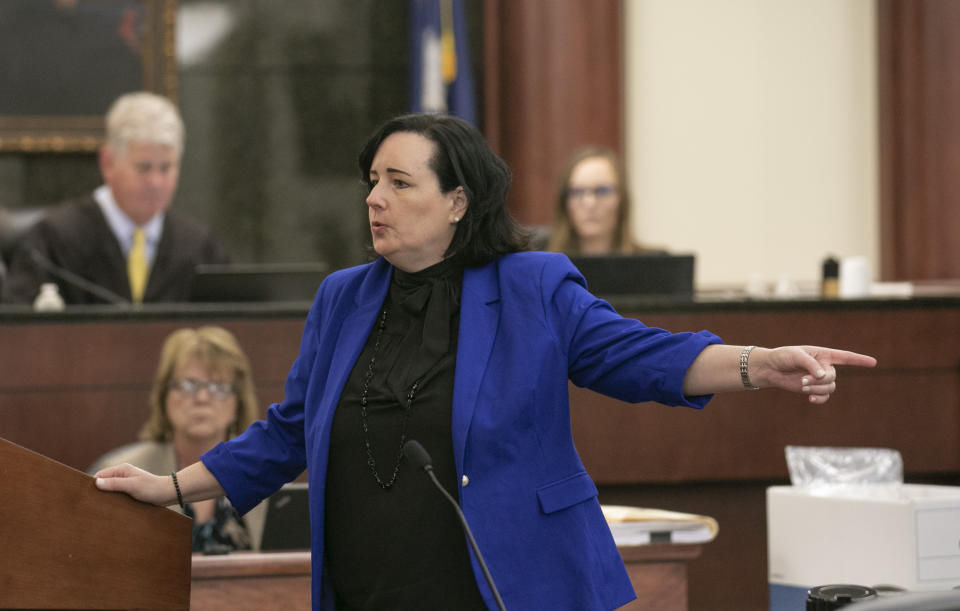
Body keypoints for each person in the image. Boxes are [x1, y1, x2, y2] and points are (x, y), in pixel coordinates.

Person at [95, 113, 877, 611]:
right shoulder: (344, 297)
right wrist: (169, 486)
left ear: (459, 201)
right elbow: (290, 429)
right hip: (370, 588)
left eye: (399, 182)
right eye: (371, 180)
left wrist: (758, 361)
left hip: (504, 586)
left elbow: (637, 355)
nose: (375, 198)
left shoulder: (530, 285)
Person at [1, 91, 229, 305]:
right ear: (108, 163)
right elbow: (17, 329)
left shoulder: (199, 247)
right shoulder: (55, 240)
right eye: (143, 168)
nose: (156, 182)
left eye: (166, 168)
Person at [89, 326, 265, 553]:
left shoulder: (265, 475)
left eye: (218, 387)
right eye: (188, 385)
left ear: (237, 403)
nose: (202, 398)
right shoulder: (120, 475)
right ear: (164, 397)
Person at [547, 145, 657, 255]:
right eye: (578, 192)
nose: (590, 203)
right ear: (564, 202)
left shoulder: (656, 265)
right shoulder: (543, 267)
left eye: (602, 191)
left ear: (622, 199)